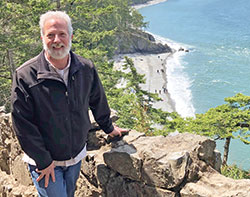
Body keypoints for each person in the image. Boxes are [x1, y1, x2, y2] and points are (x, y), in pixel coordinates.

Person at [11, 11, 127, 197]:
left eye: (62, 34)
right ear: (42, 37)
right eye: (50, 35)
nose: (57, 40)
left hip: (75, 156)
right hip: (45, 162)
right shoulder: (25, 75)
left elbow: (97, 100)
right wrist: (43, 160)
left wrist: (108, 127)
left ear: (70, 36)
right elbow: (23, 124)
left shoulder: (85, 68)